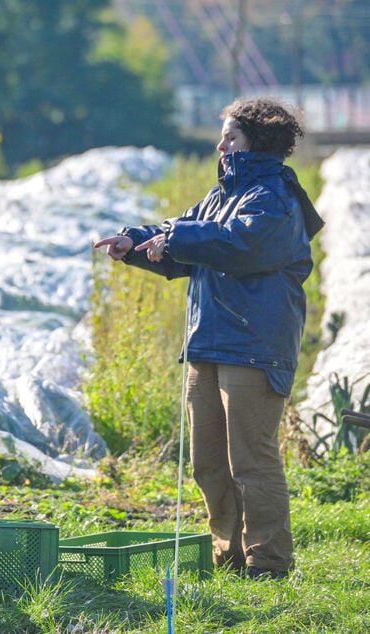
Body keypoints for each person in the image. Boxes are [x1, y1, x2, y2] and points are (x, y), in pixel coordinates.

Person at [94, 98, 323, 580]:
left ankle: (268, 564)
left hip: (253, 347)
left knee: (251, 462)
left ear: (255, 143)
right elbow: (178, 236)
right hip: (208, 345)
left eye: (230, 137)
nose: (221, 145)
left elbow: (240, 246)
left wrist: (176, 239)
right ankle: (229, 559)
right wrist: (134, 242)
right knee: (209, 464)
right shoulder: (221, 196)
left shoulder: (274, 197)